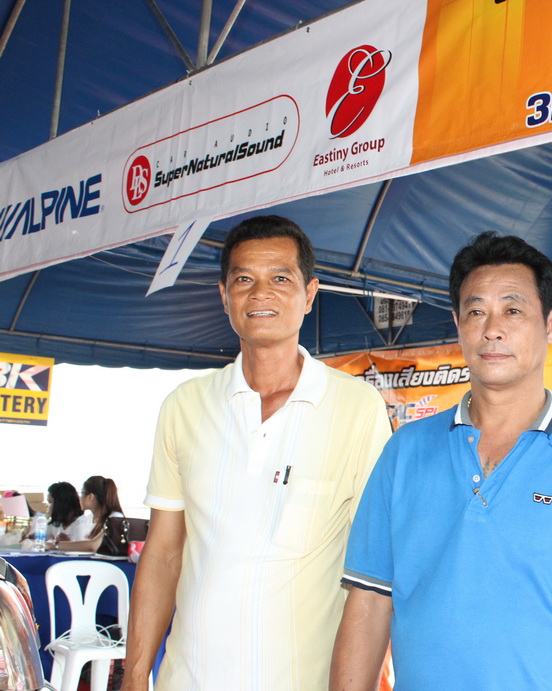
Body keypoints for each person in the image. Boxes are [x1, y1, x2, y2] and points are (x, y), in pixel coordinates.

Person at [331, 231, 552, 690]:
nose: (492, 329)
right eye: (476, 311)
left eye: (512, 310)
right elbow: (369, 603)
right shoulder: (405, 452)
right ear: (458, 323)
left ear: (551, 324)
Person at [122, 215, 392, 691]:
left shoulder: (356, 407)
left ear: (309, 294)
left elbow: (374, 571)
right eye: (243, 279)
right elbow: (163, 553)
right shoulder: (184, 406)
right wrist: (135, 673)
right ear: (224, 296)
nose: (260, 293)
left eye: (280, 279)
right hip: (188, 679)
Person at [49, 475, 124, 552]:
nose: (80, 498)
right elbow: (84, 544)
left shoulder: (115, 518)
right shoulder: (88, 518)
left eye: (82, 493)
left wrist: (54, 545)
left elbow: (93, 546)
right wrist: (69, 542)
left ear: (90, 497)